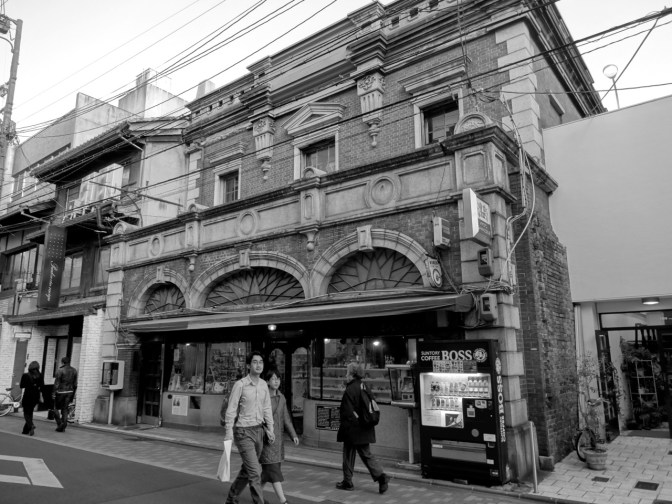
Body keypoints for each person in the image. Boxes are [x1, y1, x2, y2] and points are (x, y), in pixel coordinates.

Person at [224, 351, 275, 504]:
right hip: (243, 432)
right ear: (248, 365)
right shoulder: (240, 385)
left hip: (259, 431)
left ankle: (231, 497)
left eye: (261, 362)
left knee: (248, 469)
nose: (258, 365)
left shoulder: (264, 385)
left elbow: (267, 408)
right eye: (254, 362)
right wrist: (228, 432)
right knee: (255, 472)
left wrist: (270, 429)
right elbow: (231, 410)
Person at [336, 361, 390, 494]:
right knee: (366, 454)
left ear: (352, 374)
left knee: (348, 455)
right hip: (365, 426)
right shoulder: (364, 386)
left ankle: (347, 482)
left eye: (347, 371)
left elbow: (346, 411)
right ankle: (381, 477)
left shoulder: (350, 389)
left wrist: (346, 427)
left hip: (352, 428)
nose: (346, 374)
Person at [259, 368, 300, 504]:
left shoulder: (282, 398)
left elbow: (286, 418)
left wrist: (293, 434)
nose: (276, 381)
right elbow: (258, 419)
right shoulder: (262, 398)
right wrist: (265, 431)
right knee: (273, 470)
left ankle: (256, 494)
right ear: (267, 381)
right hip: (266, 440)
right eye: (273, 379)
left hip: (278, 440)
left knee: (267, 474)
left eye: (278, 379)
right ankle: (283, 501)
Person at [52, 355, 78, 432]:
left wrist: (53, 393)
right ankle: (64, 423)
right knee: (65, 408)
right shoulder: (74, 370)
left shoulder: (60, 370)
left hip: (60, 391)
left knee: (55, 408)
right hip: (70, 391)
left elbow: (56, 383)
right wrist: (73, 394)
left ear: (62, 362)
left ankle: (60, 423)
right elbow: (75, 384)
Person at [20, 361, 44, 436]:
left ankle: (31, 425)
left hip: (28, 395)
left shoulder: (26, 375)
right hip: (35, 395)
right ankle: (25, 430)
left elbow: (21, 386)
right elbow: (42, 386)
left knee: (26, 413)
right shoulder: (40, 375)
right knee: (30, 412)